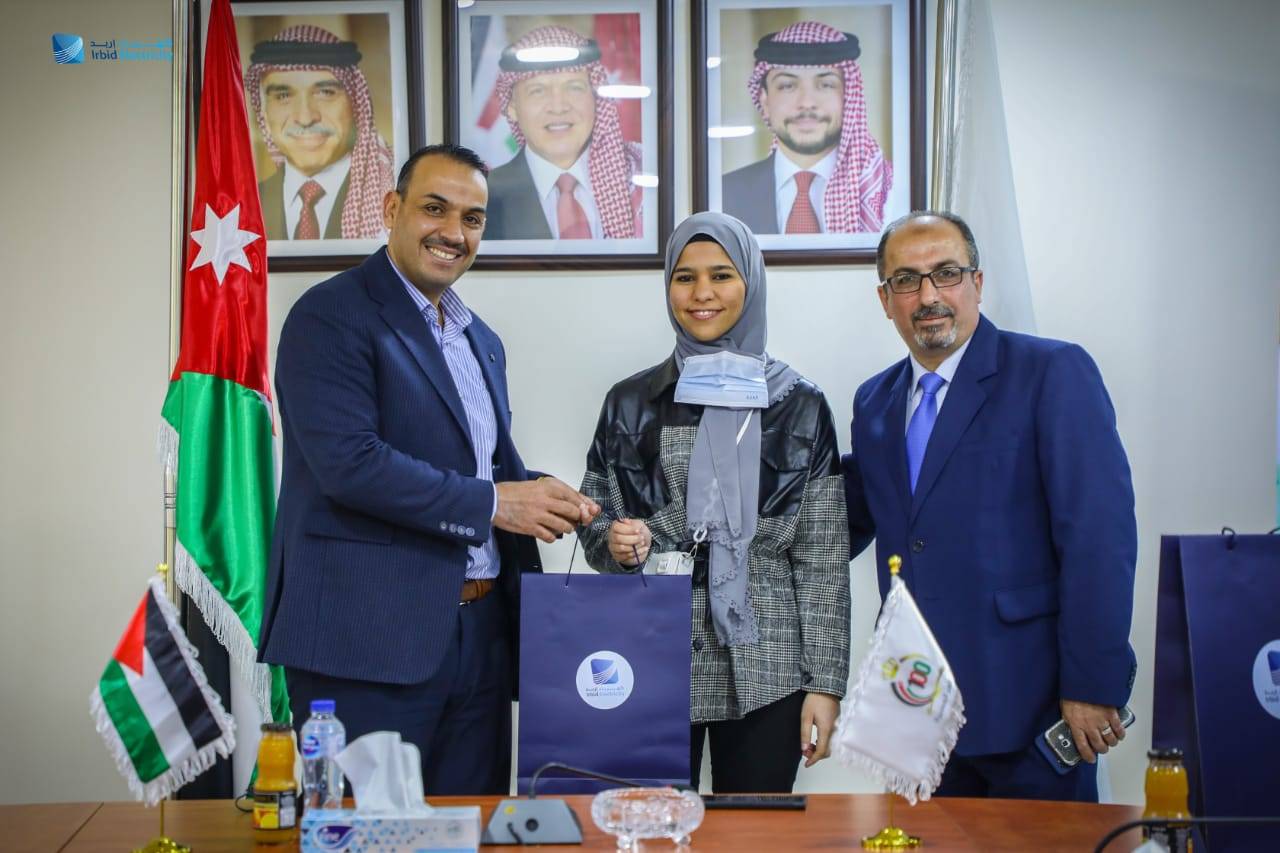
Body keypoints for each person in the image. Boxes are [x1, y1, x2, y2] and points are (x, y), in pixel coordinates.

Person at [258, 143, 600, 795]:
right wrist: (496, 502)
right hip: (366, 643)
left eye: (472, 218)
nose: (453, 232)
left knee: (472, 829)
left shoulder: (480, 339)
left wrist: (546, 495)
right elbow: (348, 464)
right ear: (392, 209)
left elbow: (477, 467)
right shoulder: (330, 315)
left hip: (482, 637)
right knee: (366, 832)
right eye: (435, 209)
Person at [842, 210, 1137, 801]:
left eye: (946, 273)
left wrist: (1092, 681)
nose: (929, 295)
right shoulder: (874, 402)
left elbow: (1099, 538)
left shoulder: (1051, 372)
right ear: (885, 299)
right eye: (907, 280)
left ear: (977, 282)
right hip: (917, 707)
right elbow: (849, 520)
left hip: (1031, 704)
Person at [578, 211, 850, 792]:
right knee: (649, 825)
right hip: (649, 653)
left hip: (768, 665)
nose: (702, 293)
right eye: (685, 277)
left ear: (751, 282)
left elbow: (822, 559)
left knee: (754, 831)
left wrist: (826, 684)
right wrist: (616, 545)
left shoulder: (799, 405)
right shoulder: (629, 402)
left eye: (722, 275)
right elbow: (593, 521)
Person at [722, 21, 891, 236]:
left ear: (848, 97)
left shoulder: (886, 189)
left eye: (826, 85)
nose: (806, 102)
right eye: (787, 86)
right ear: (764, 101)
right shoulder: (724, 193)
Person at [484, 25, 642, 241]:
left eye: (574, 88)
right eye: (538, 91)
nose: (558, 107)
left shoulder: (641, 179)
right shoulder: (484, 194)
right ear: (512, 107)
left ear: (596, 98)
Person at [245, 24, 395, 241]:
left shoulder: (389, 196)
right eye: (283, 96)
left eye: (325, 93)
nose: (305, 118)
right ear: (265, 115)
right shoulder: (243, 205)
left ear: (355, 106)